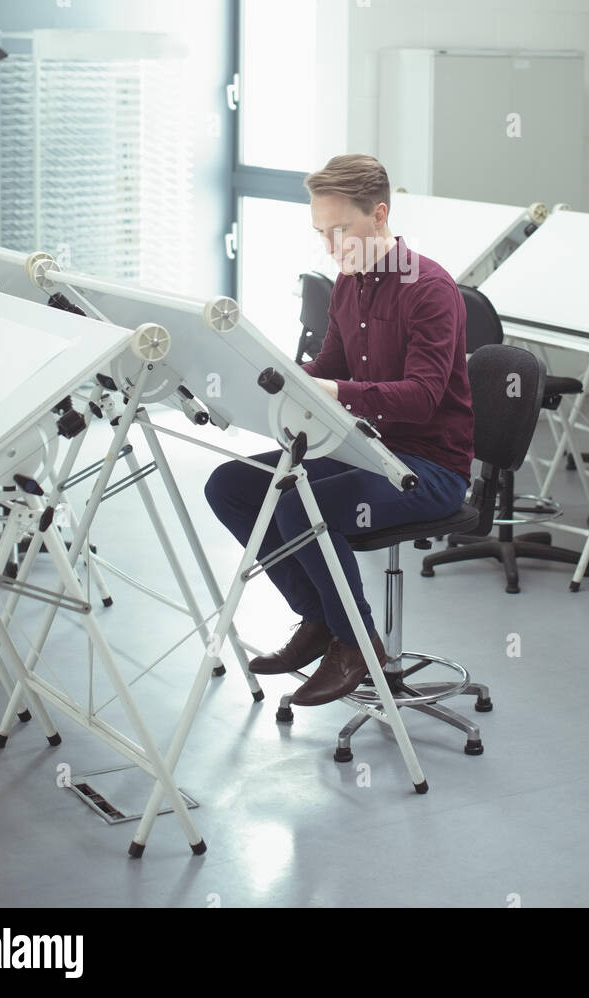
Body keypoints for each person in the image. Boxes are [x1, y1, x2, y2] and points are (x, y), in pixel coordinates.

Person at [204, 154, 475, 705]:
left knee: (301, 506)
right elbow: (329, 365)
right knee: (229, 485)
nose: (331, 246)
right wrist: (268, 378)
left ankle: (358, 643)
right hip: (364, 449)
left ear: (379, 215)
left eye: (341, 230)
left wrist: (336, 392)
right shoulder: (349, 283)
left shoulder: (430, 289)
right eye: (321, 233)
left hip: (427, 467)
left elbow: (422, 400)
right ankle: (321, 620)